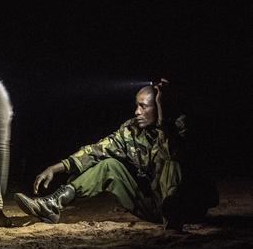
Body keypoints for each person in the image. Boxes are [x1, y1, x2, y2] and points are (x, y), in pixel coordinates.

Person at [14, 79, 219, 231]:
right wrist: (55, 168)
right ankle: (52, 204)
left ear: (158, 106)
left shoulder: (181, 126)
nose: (137, 111)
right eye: (136, 105)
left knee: (172, 162)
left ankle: (173, 214)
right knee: (109, 165)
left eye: (144, 106)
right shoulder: (131, 130)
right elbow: (96, 150)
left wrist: (163, 109)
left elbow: (171, 151)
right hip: (156, 207)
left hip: (188, 207)